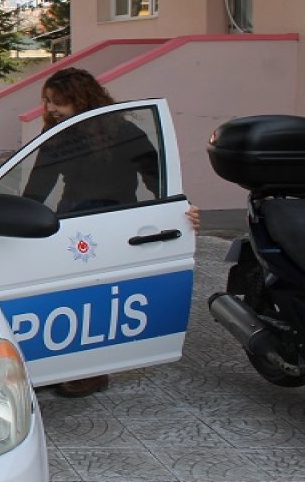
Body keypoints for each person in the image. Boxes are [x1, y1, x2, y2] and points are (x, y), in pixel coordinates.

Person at [22, 67, 199, 398]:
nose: (50, 109)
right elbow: (36, 189)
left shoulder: (126, 133)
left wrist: (181, 212)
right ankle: (61, 362)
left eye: (58, 102)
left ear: (82, 99)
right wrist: (15, 221)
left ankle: (92, 370)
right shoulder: (57, 137)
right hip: (72, 222)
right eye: (47, 101)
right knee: (68, 297)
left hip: (117, 221)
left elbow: (157, 181)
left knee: (102, 296)